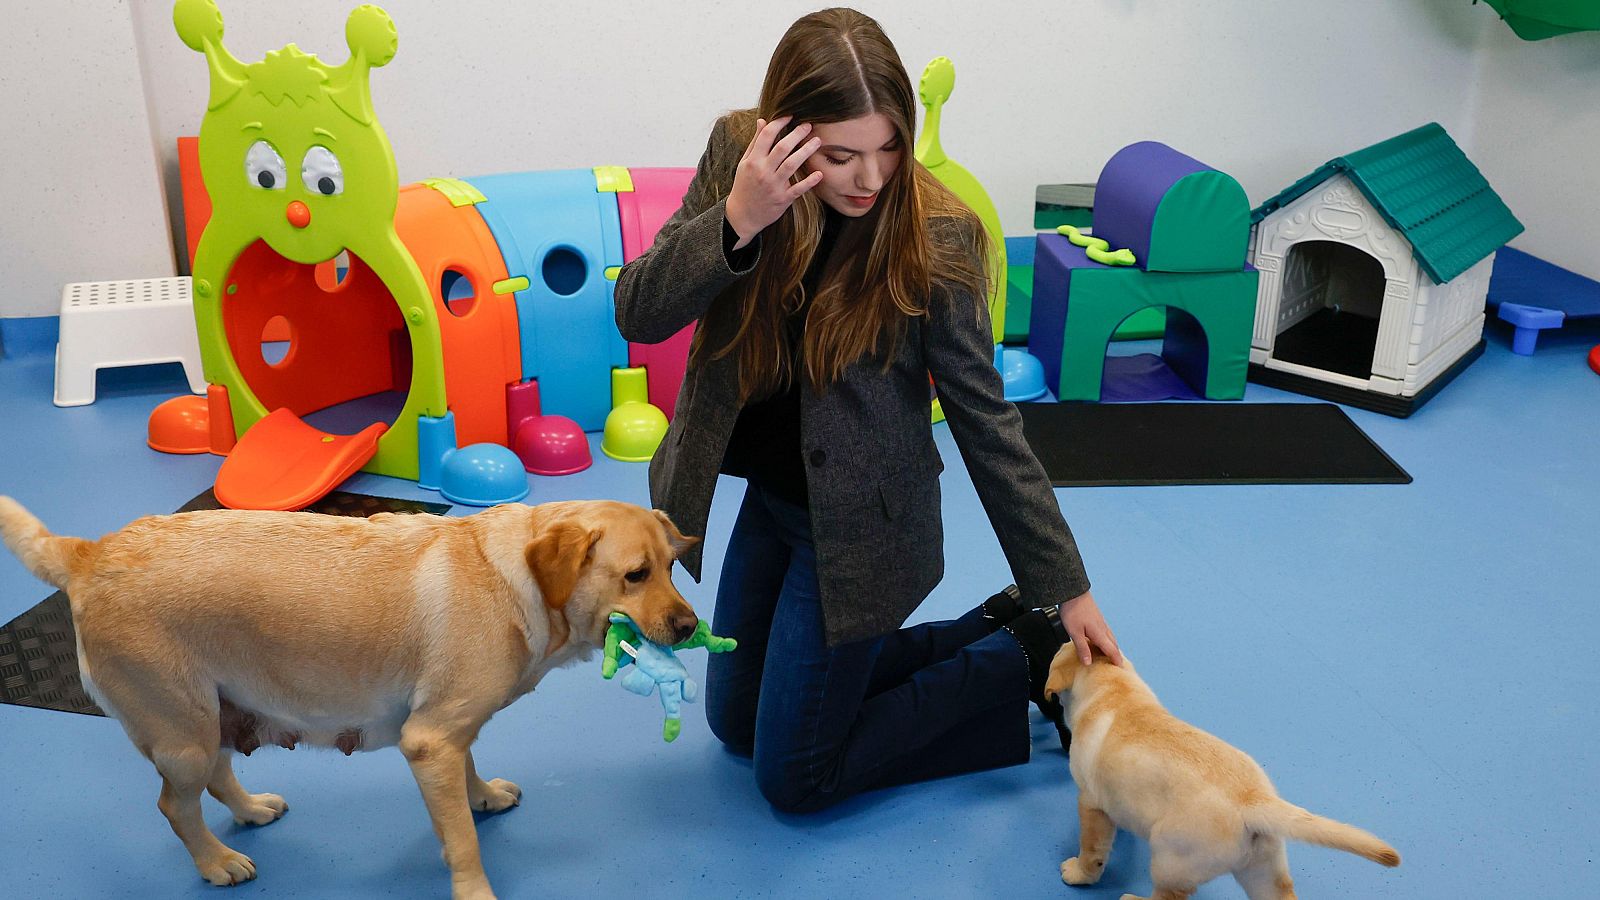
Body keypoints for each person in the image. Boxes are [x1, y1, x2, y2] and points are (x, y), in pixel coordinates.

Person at [614, 7, 1122, 814]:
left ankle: (1022, 655)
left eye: (889, 147)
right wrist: (739, 218)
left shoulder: (939, 233)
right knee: (735, 726)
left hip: (860, 533)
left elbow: (988, 422)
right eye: (841, 155)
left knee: (794, 778)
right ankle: (999, 624)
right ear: (786, 133)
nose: (871, 177)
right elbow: (638, 313)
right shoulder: (739, 159)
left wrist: (1067, 587)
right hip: (773, 503)